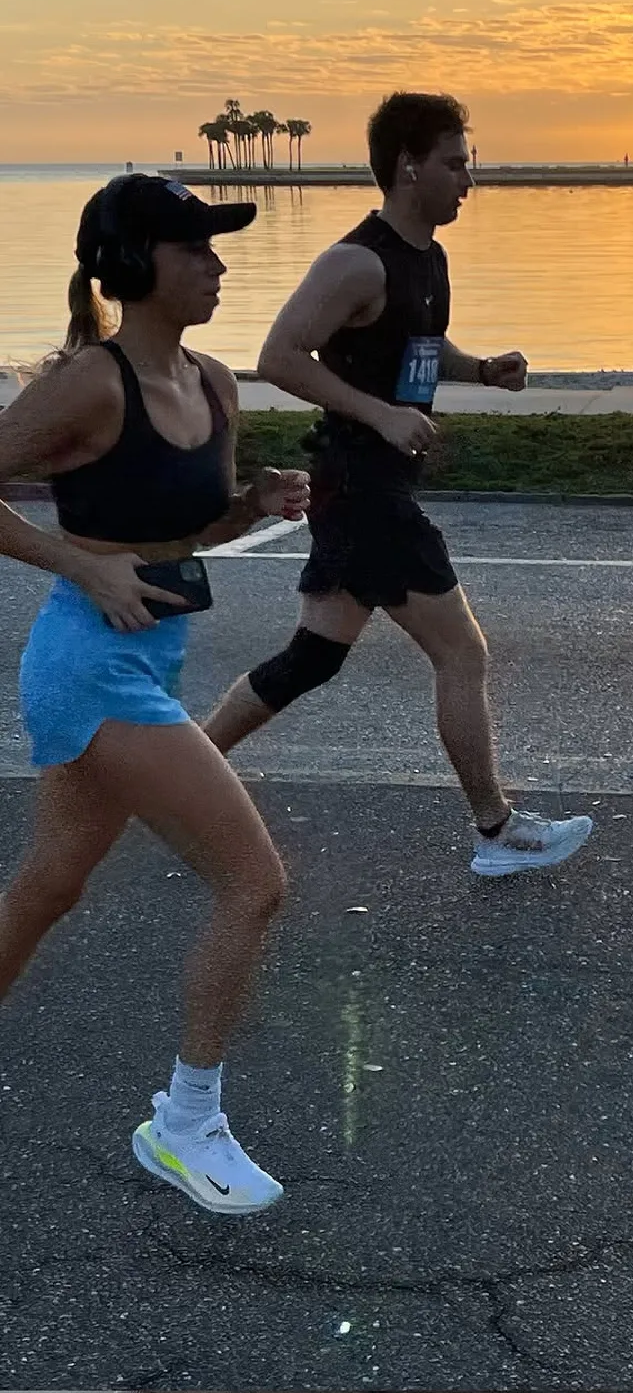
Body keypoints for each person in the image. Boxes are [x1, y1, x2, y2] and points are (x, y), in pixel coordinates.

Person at [0, 174, 310, 1214]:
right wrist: (78, 566)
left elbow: (187, 532)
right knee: (253, 881)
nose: (219, 265)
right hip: (88, 663)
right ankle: (184, 1123)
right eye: (198, 248)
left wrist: (250, 504)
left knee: (50, 886)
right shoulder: (91, 382)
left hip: (159, 651)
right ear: (139, 265)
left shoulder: (216, 384)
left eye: (218, 249)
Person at [203, 92, 594, 877]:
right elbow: (279, 356)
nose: (468, 179)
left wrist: (480, 370)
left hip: (368, 488)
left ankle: (179, 772)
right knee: (464, 653)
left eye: (468, 162)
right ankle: (496, 832)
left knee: (312, 658)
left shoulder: (427, 260)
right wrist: (380, 416)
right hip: (362, 486)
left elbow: (423, 346)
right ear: (409, 166)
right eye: (454, 163)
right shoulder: (357, 262)